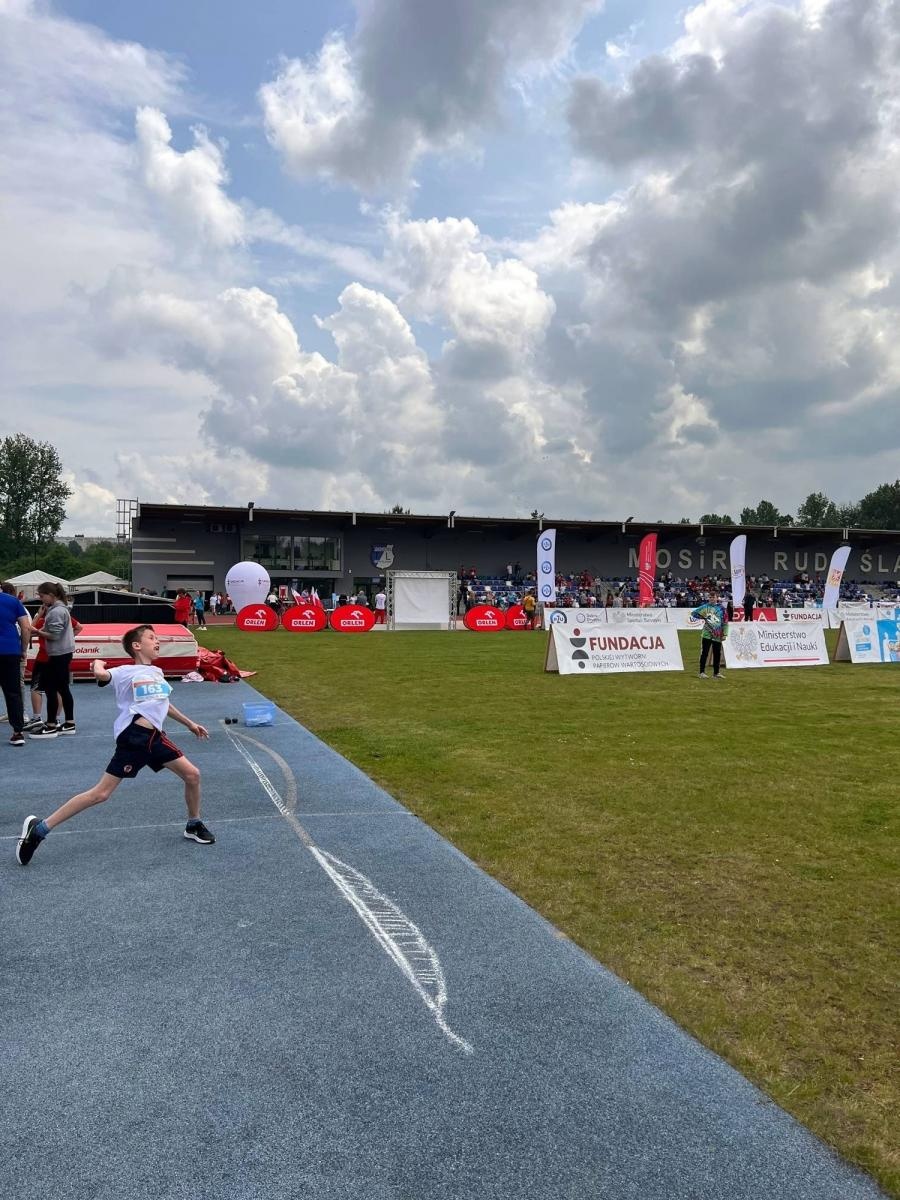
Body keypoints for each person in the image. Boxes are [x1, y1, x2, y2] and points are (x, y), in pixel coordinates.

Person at [15, 624, 214, 866]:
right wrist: (98, 662)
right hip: (135, 737)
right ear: (137, 646)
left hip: (155, 738)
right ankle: (40, 829)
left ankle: (193, 824)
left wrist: (190, 724)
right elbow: (101, 675)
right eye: (152, 638)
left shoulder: (157, 673)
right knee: (100, 794)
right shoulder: (125, 672)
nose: (157, 641)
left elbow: (163, 703)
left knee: (192, 775)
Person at [28, 582, 77, 737]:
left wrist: (36, 631)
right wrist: (38, 632)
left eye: (42, 596)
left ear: (51, 595)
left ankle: (50, 726)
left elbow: (54, 635)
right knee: (62, 688)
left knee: (51, 688)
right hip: (64, 653)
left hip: (58, 654)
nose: (41, 599)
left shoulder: (56, 611)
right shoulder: (62, 609)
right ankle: (69, 723)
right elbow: (53, 631)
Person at [0, 581, 30, 746]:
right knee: (13, 692)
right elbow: (26, 627)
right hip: (10, 650)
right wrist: (23, 649)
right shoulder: (13, 601)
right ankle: (18, 732)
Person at [691, 591, 728, 679]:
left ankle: (716, 673)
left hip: (718, 635)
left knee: (717, 654)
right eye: (710, 597)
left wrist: (725, 633)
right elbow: (694, 613)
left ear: (717, 598)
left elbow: (725, 621)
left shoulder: (721, 608)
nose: (711, 599)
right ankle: (702, 672)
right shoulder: (705, 607)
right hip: (706, 634)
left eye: (713, 597)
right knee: (704, 653)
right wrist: (703, 617)